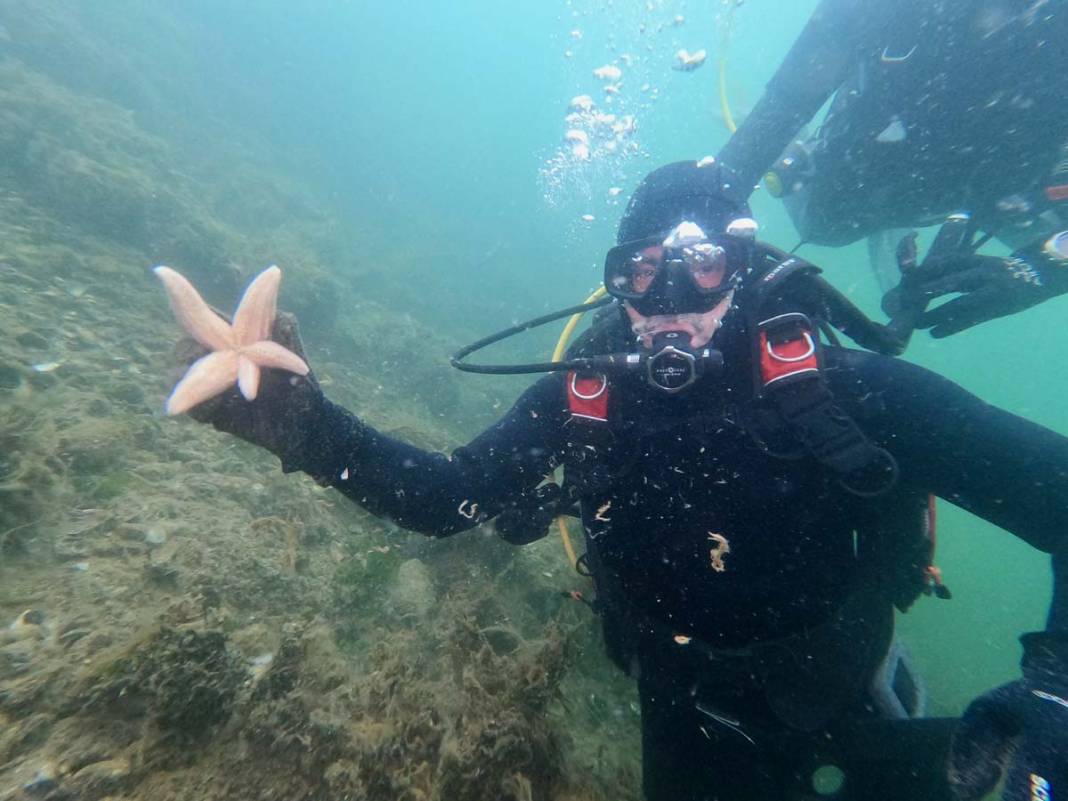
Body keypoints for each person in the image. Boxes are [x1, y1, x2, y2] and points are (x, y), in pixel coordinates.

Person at [183, 161, 1068, 801]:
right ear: (618, 282)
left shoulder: (849, 392)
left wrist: (1055, 682)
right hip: (681, 705)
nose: (671, 296)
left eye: (704, 264)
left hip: (846, 683)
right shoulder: (585, 398)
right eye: (641, 270)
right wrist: (308, 426)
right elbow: (443, 497)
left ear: (746, 269)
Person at [716, 0, 1068, 338]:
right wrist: (708, 212)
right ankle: (798, 156)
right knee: (823, 224)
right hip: (883, 155)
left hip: (1016, 186)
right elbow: (786, 104)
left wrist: (1044, 267)